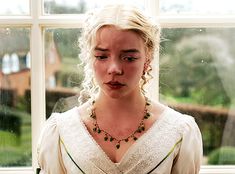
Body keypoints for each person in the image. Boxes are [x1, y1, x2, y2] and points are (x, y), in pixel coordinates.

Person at [37, 4, 203, 174]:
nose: (114, 69)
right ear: (90, 57)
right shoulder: (61, 131)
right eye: (102, 56)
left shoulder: (179, 131)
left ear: (147, 58)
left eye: (129, 58)